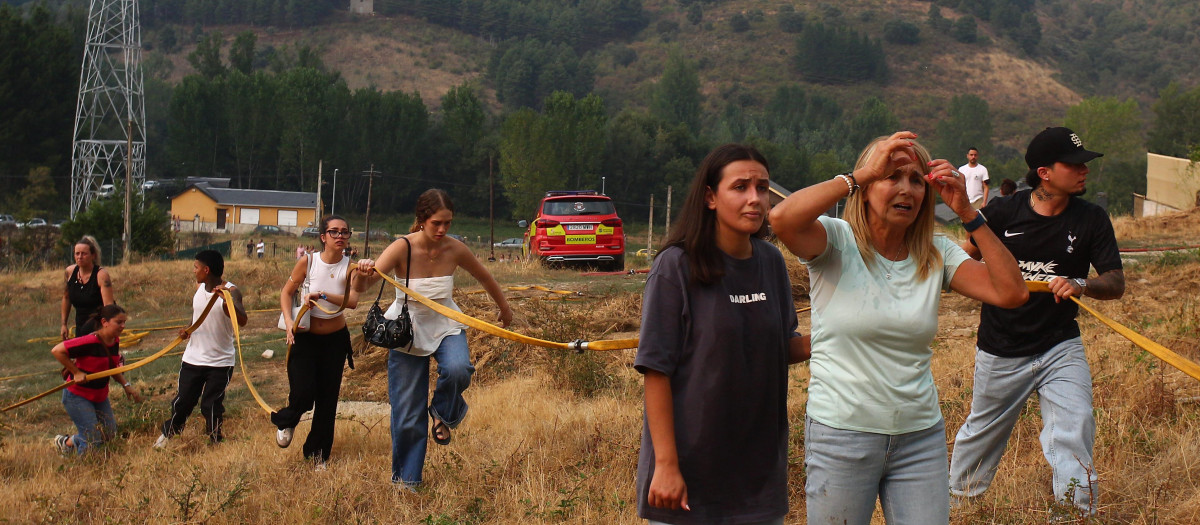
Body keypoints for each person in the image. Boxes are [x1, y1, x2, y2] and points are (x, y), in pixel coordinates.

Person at [769, 131, 1027, 524]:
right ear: (868, 188)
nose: (907, 189)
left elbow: (1011, 293)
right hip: (842, 433)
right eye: (892, 176)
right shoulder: (835, 241)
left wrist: (970, 215)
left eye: (916, 180)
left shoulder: (936, 251)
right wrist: (857, 175)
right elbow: (782, 218)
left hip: (919, 436)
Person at [949, 127, 1125, 513]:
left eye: (1085, 164)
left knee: (1074, 426)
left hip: (1060, 344)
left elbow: (1115, 281)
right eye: (1075, 164)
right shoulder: (1001, 212)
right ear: (1044, 172)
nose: (1084, 171)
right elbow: (963, 260)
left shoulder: (1092, 219)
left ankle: (1074, 512)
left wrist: (1082, 284)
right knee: (982, 433)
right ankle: (958, 509)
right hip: (1001, 346)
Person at [635, 144, 810, 524]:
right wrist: (666, 465)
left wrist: (838, 335)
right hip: (689, 474)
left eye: (762, 188)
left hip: (758, 474)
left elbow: (783, 347)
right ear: (711, 197)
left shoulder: (771, 262)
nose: (754, 199)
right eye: (740, 187)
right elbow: (656, 370)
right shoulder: (675, 266)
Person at [353, 189, 513, 490]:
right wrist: (362, 272)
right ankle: (407, 481)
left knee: (458, 369)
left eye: (447, 223)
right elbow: (364, 285)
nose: (442, 230)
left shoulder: (456, 249)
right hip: (406, 331)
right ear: (422, 220)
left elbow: (486, 278)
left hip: (445, 325)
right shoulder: (402, 247)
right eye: (437, 223)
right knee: (408, 413)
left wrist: (504, 309)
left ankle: (442, 414)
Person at [272, 215, 361, 468]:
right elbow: (286, 292)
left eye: (345, 232)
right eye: (334, 232)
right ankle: (287, 420)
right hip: (304, 337)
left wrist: (321, 294)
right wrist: (289, 322)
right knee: (303, 391)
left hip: (335, 340)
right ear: (323, 237)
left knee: (327, 399)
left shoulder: (350, 267)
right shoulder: (308, 262)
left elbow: (352, 301)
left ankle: (317, 455)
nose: (340, 236)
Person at [154, 250, 248, 448]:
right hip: (193, 359)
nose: (193, 271)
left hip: (220, 362)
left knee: (211, 404)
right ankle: (169, 434)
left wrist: (225, 301)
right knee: (182, 402)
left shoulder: (231, 291)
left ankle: (215, 440)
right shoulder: (199, 287)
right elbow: (199, 313)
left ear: (206, 270)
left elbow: (242, 320)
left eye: (196, 267)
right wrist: (188, 329)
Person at [51, 304, 144, 455]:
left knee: (109, 433)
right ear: (104, 322)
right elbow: (57, 350)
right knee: (92, 439)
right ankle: (86, 472)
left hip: (99, 396)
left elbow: (112, 366)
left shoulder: (114, 341)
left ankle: (68, 443)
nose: (123, 326)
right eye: (119, 322)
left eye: (124, 322)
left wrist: (126, 385)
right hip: (77, 396)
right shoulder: (90, 341)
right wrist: (76, 372)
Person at [60, 236, 115, 340]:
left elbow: (109, 306)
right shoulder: (69, 272)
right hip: (80, 322)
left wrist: (107, 329)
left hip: (98, 323)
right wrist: (64, 324)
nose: (80, 257)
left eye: (84, 254)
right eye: (77, 253)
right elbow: (66, 298)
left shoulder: (101, 275)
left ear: (93, 255)